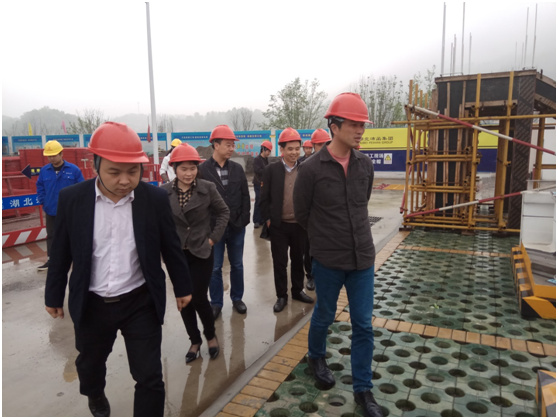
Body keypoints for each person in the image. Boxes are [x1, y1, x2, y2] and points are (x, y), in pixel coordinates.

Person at [44, 122, 193, 417]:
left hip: (140, 300)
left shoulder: (154, 199)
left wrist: (183, 287)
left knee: (150, 377)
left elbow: (171, 246)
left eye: (133, 172)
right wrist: (53, 295)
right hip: (92, 301)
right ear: (96, 165)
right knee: (89, 364)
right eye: (114, 172)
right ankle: (95, 393)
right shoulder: (73, 199)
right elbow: (60, 251)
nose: (125, 181)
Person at [293, 93, 383, 417]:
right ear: (334, 126)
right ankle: (316, 356)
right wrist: (326, 238)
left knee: (363, 325)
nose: (360, 131)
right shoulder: (310, 170)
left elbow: (362, 204)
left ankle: (363, 390)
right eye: (354, 125)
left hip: (362, 260)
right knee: (325, 315)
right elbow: (302, 214)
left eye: (363, 125)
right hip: (328, 260)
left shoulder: (365, 165)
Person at [160, 143, 229, 364]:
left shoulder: (207, 188)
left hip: (201, 251)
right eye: (183, 169)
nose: (188, 173)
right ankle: (194, 340)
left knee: (198, 297)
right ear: (174, 169)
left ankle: (210, 335)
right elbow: (159, 222)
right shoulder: (164, 192)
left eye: (192, 168)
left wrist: (213, 238)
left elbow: (223, 212)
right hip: (177, 255)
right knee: (183, 299)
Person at [198, 125, 250, 319]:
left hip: (236, 226)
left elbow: (245, 196)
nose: (231, 148)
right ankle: (216, 303)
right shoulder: (202, 170)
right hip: (214, 229)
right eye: (228, 145)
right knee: (215, 267)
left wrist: (244, 219)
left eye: (232, 145)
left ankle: (237, 298)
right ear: (216, 145)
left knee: (237, 264)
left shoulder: (237, 169)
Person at [260, 127, 314, 313]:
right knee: (280, 262)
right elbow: (263, 198)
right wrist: (268, 219)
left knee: (298, 260)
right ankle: (281, 296)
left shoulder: (306, 169)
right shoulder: (271, 170)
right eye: (290, 149)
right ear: (281, 149)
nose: (294, 152)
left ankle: (297, 291)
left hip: (299, 225)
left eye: (297, 148)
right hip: (278, 226)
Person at [35, 140, 84, 271]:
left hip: (70, 211)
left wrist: (77, 206)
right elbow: (40, 187)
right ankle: (52, 260)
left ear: (61, 154)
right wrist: (44, 202)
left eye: (54, 155)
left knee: (73, 235)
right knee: (52, 235)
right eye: (49, 156)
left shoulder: (73, 170)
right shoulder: (44, 171)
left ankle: (77, 259)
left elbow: (81, 189)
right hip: (51, 209)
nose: (51, 158)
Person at [252, 140, 272, 228]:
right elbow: (257, 170)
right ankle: (256, 220)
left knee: (264, 201)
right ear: (263, 149)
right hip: (258, 183)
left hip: (264, 183)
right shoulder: (257, 159)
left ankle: (262, 219)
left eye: (270, 151)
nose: (269, 153)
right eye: (268, 151)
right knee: (258, 200)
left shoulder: (266, 160)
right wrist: (267, 171)